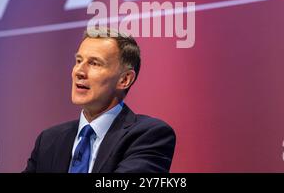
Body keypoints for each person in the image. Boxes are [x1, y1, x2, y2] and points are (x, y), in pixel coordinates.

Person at [23, 28, 176, 173]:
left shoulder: (148, 135)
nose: (79, 71)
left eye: (94, 63)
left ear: (124, 79)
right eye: (78, 61)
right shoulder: (49, 140)